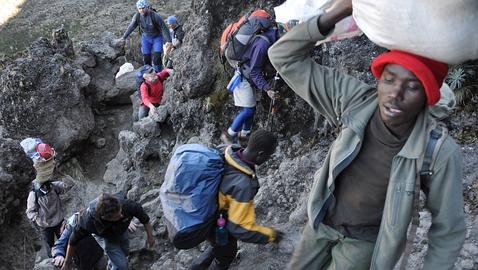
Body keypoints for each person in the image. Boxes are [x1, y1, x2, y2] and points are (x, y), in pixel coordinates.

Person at [268, 1, 466, 269]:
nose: (395, 94)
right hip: (320, 223)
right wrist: (340, 11)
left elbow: (447, 231)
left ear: (427, 97)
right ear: (378, 80)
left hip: (364, 244)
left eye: (412, 86)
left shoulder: (437, 150)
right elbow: (283, 56)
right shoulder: (354, 100)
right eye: (389, 79)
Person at [191, 129, 284, 270]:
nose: (268, 159)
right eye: (269, 156)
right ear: (260, 154)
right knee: (225, 257)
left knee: (217, 246)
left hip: (206, 214)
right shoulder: (243, 184)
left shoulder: (227, 152)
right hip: (217, 223)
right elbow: (240, 229)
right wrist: (272, 235)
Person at [220, 15, 279, 146]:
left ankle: (244, 137)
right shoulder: (263, 45)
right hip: (243, 78)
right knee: (248, 110)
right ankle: (229, 135)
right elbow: (255, 71)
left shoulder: (271, 35)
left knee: (251, 109)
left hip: (247, 77)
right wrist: (267, 88)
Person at [60, 193, 155, 270]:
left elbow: (145, 219)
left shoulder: (127, 205)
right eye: (117, 216)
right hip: (104, 235)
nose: (121, 216)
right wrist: (67, 262)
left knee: (125, 252)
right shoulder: (88, 222)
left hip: (121, 228)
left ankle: (111, 265)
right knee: (122, 265)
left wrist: (150, 237)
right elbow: (72, 241)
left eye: (121, 212)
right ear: (105, 218)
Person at [23, 140, 75, 256]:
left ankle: (68, 261)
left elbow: (70, 184)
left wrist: (60, 173)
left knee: (65, 243)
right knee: (50, 247)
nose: (44, 186)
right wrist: (38, 218)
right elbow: (30, 212)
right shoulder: (34, 194)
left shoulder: (53, 186)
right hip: (45, 226)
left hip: (59, 221)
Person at [121, 0, 172, 72]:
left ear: (147, 7)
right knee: (146, 57)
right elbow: (131, 27)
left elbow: (164, 28)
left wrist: (169, 41)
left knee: (157, 57)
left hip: (156, 38)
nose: (141, 10)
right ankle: (148, 72)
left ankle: (159, 73)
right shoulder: (137, 16)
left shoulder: (155, 16)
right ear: (137, 9)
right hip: (146, 39)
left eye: (143, 8)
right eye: (140, 8)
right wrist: (124, 37)